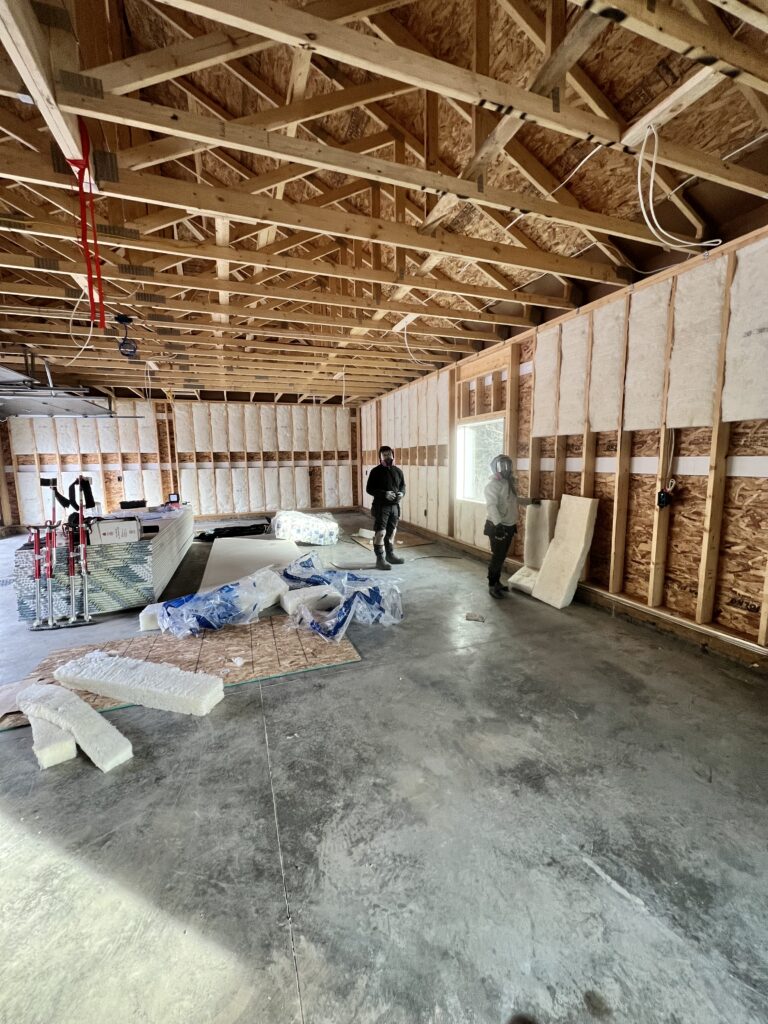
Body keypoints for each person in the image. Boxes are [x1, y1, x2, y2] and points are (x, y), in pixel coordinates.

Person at [484, 454, 539, 599]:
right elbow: (491, 506)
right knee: (497, 557)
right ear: (496, 467)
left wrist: (530, 501)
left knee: (502, 557)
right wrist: (498, 525)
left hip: (508, 526)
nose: (506, 469)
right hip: (497, 527)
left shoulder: (508, 484)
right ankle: (491, 585)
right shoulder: (492, 485)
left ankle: (497, 583)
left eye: (508, 466)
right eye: (502, 466)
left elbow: (514, 500)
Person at [365, 445, 406, 571]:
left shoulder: (398, 471)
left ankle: (390, 555)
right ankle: (380, 559)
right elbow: (369, 489)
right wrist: (384, 494)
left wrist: (401, 493)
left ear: (393, 455)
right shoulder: (375, 471)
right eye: (384, 455)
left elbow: (403, 486)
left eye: (389, 454)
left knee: (391, 532)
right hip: (381, 506)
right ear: (380, 457)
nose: (387, 457)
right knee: (381, 532)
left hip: (394, 506)